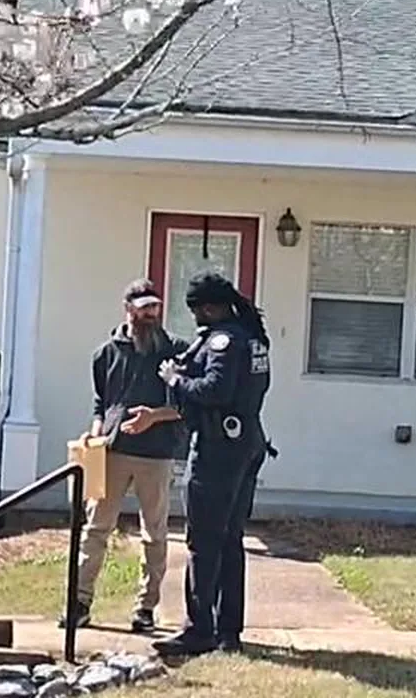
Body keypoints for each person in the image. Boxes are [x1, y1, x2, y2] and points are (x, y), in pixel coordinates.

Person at [59, 278, 193, 634]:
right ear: (128, 309)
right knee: (95, 529)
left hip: (157, 454)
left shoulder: (177, 351)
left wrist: (154, 417)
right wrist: (95, 431)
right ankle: (79, 603)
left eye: (155, 307)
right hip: (111, 452)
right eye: (144, 307)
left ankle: (146, 608)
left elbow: (187, 404)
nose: (151, 314)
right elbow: (101, 404)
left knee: (154, 533)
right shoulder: (105, 354)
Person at [151, 270, 273, 657]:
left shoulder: (223, 341)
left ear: (206, 308)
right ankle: (228, 630)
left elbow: (215, 390)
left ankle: (200, 628)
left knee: (204, 541)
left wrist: (176, 380)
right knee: (230, 539)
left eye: (196, 310)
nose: (195, 318)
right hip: (246, 442)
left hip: (218, 448)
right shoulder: (251, 338)